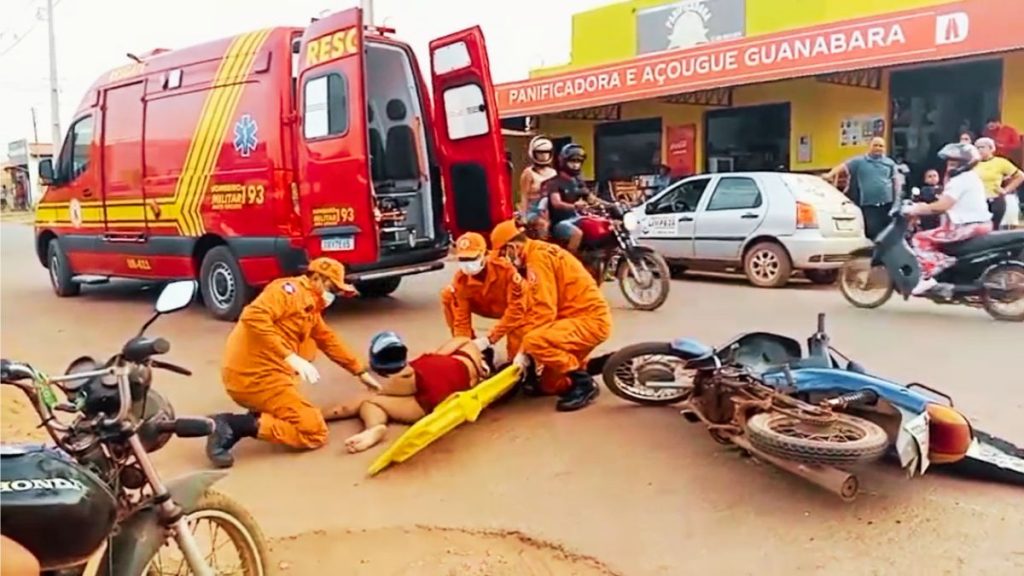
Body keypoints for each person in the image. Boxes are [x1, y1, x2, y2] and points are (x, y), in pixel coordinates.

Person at [205, 257, 382, 468]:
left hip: (269, 376)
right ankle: (232, 425)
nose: (332, 296)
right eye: (332, 289)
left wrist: (359, 371)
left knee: (302, 412)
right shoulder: (287, 292)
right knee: (314, 432)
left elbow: (328, 339)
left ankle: (259, 417)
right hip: (256, 378)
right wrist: (290, 356)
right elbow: (252, 317)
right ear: (316, 277)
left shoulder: (310, 307)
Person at [484, 219, 612, 412]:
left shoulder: (538, 259)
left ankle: (584, 383)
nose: (504, 260)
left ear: (511, 247)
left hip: (589, 321)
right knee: (548, 386)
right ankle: (597, 365)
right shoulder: (537, 253)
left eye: (503, 254)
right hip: (575, 320)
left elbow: (544, 310)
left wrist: (524, 351)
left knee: (534, 341)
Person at [324, 332, 491, 453]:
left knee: (370, 399)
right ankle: (373, 430)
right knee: (376, 399)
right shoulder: (477, 373)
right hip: (440, 392)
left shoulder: (469, 351)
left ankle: (320, 415)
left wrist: (436, 356)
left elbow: (462, 339)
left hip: (422, 382)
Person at [905, 142, 993, 296]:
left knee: (920, 238)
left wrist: (915, 209)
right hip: (979, 224)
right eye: (949, 162)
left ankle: (930, 276)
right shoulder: (971, 177)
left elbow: (942, 206)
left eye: (954, 162)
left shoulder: (960, 181)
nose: (950, 166)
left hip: (966, 226)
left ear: (965, 163)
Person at [440, 231, 525, 359]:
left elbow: (517, 310)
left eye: (472, 258)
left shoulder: (506, 270)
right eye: (463, 259)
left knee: (518, 356)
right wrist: (468, 347)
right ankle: (480, 352)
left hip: (513, 309)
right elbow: (461, 321)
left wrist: (490, 339)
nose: (467, 264)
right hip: (486, 306)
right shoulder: (461, 280)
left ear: (485, 254)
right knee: (448, 295)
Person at [823, 137, 898, 239]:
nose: (878, 148)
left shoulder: (889, 163)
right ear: (870, 146)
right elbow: (843, 166)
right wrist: (829, 175)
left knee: (886, 230)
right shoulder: (859, 161)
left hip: (886, 203)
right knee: (871, 230)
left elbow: (896, 182)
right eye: (875, 145)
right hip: (868, 204)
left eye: (881, 146)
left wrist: (896, 201)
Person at [543, 143, 606, 256]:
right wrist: (575, 206)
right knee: (577, 234)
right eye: (572, 161)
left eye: (578, 162)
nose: (576, 165)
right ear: (563, 161)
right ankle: (568, 263)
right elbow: (556, 203)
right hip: (560, 223)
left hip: (578, 218)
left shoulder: (578, 182)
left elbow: (592, 199)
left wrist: (613, 204)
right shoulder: (554, 182)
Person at [973, 137, 1023, 229]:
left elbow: (1020, 176)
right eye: (977, 147)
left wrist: (1006, 190)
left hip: (995, 200)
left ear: (991, 149)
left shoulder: (1001, 162)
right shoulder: (971, 163)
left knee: (994, 229)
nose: (979, 150)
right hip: (976, 201)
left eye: (982, 147)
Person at [518, 136, 557, 237]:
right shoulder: (528, 173)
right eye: (540, 152)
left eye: (546, 152)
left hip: (551, 208)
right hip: (533, 210)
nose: (544, 155)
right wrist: (524, 216)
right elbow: (524, 195)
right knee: (543, 225)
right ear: (534, 153)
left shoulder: (553, 173)